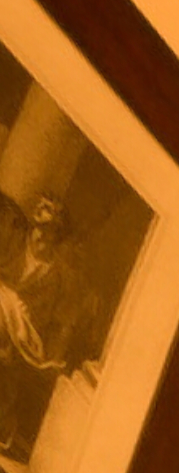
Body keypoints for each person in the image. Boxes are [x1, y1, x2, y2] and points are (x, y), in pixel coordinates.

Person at [0, 193, 97, 460]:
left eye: (48, 231)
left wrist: (52, 354)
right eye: (37, 228)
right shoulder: (12, 241)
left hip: (25, 335)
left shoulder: (61, 278)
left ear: (57, 235)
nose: (39, 237)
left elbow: (62, 326)